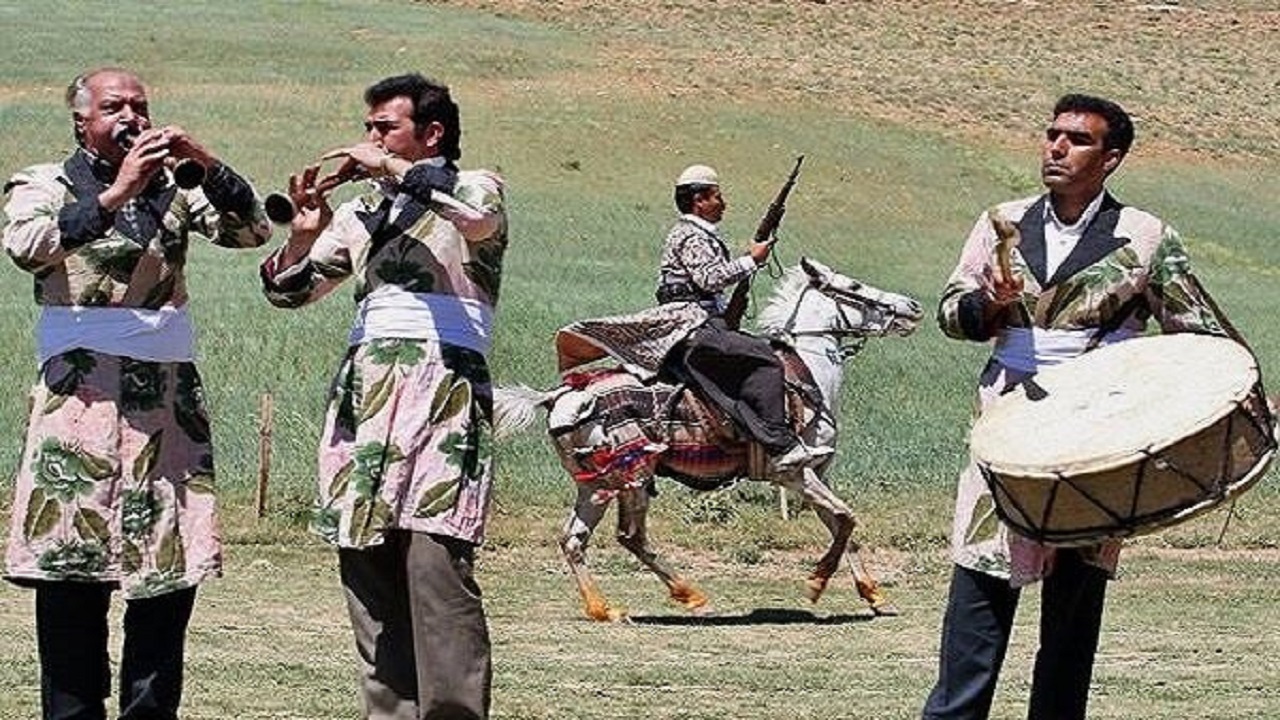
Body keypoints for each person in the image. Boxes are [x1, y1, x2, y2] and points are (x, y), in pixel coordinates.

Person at [922, 94, 1232, 719]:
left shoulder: (1146, 236)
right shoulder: (1002, 221)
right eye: (1052, 134)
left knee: (1072, 614)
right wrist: (992, 305)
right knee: (980, 589)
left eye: (1078, 139)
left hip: (1097, 433)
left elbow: (1200, 334)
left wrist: (1233, 392)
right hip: (1007, 424)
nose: (1057, 148)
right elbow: (951, 314)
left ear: (1110, 158)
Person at [1, 67, 270, 719]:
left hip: (165, 406)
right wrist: (117, 192)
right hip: (79, 401)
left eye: (140, 106)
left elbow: (252, 230)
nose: (132, 117)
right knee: (72, 567)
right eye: (115, 106)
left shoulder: (177, 187)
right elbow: (27, 246)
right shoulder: (43, 182)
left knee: (165, 568)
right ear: (81, 121)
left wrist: (204, 161)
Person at [259, 73, 506, 720]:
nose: (369, 139)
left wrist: (393, 168)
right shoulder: (362, 212)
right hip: (366, 399)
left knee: (435, 568)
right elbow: (290, 294)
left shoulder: (477, 184)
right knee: (367, 569)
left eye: (385, 128)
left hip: (442, 391)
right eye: (368, 128)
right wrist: (304, 235)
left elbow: (477, 221)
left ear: (433, 133)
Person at [655, 164, 831, 472]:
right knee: (766, 359)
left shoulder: (694, 234)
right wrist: (752, 260)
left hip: (696, 324)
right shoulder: (691, 235)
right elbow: (710, 279)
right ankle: (780, 445)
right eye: (717, 196)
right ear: (699, 200)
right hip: (692, 325)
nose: (723, 203)